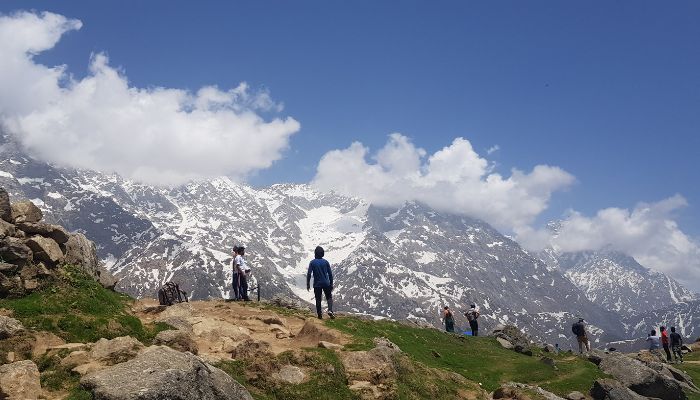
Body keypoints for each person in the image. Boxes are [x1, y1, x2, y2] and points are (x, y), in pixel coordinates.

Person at [307, 246, 335, 319]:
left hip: (317, 284)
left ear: (315, 253)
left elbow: (309, 274)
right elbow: (330, 274)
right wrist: (331, 283)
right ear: (322, 254)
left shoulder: (312, 262)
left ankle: (319, 315)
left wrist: (308, 284)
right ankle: (330, 310)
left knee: (318, 299)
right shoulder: (326, 262)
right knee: (329, 297)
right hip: (326, 283)